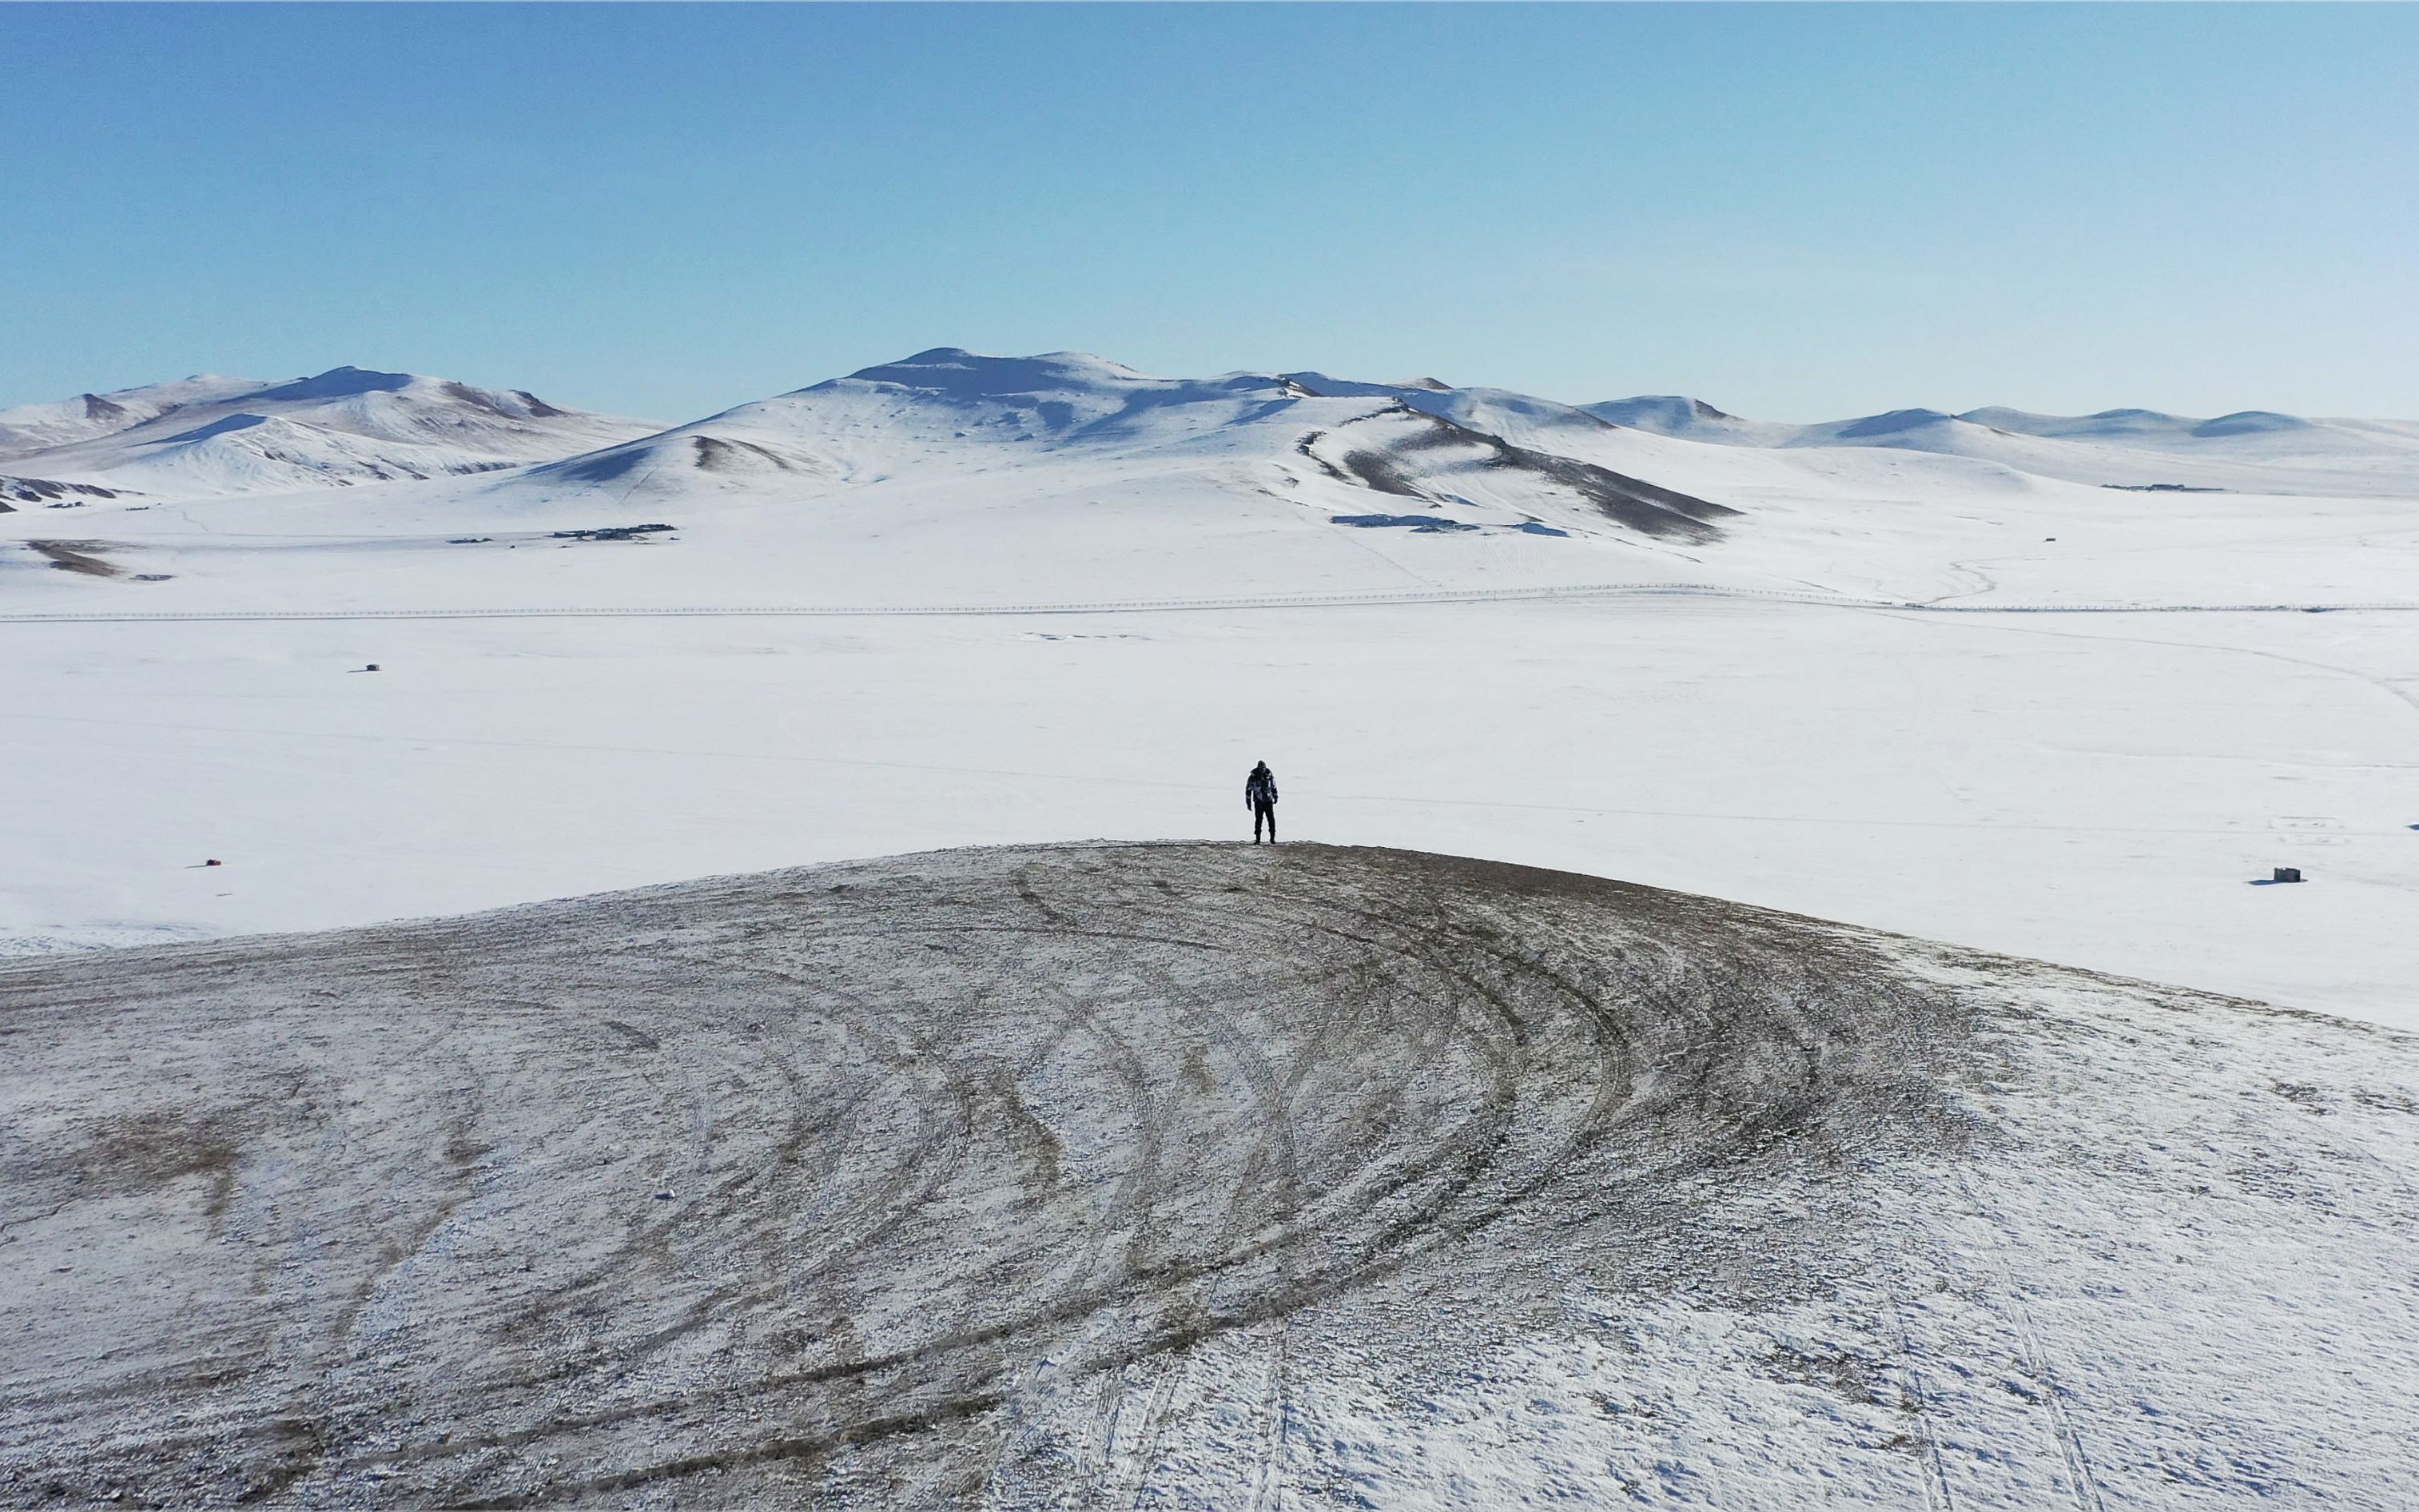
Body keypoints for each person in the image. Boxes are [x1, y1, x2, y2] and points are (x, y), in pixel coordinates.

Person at [1245, 760, 1279, 843]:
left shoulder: (1269, 775)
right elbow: (1248, 790)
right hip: (1258, 801)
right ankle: (1258, 839)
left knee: (1271, 819)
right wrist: (1248, 802)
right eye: (1260, 768)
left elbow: (1274, 787)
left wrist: (1275, 796)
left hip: (1268, 800)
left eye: (1263, 768)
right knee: (1258, 820)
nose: (1262, 770)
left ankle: (1272, 838)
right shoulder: (1253, 777)